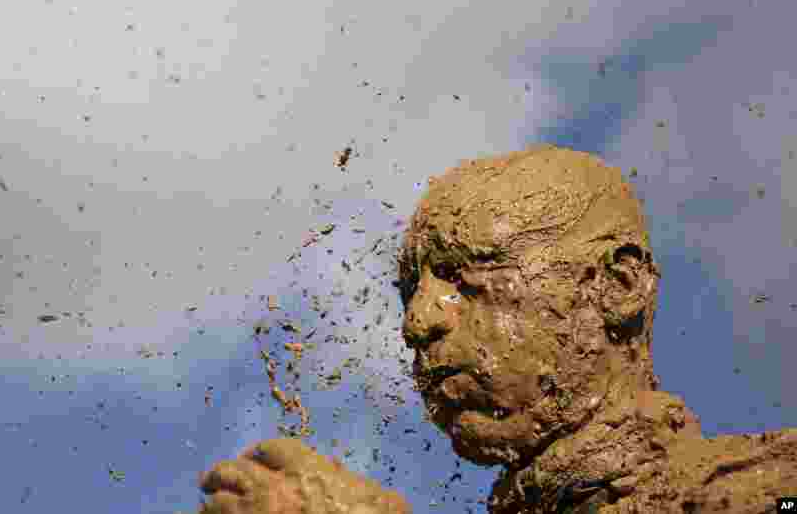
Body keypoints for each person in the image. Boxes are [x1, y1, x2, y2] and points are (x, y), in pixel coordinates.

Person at [197, 145, 797, 513]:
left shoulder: (763, 488)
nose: (417, 323)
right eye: (412, 292)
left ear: (617, 287)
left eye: (467, 275)